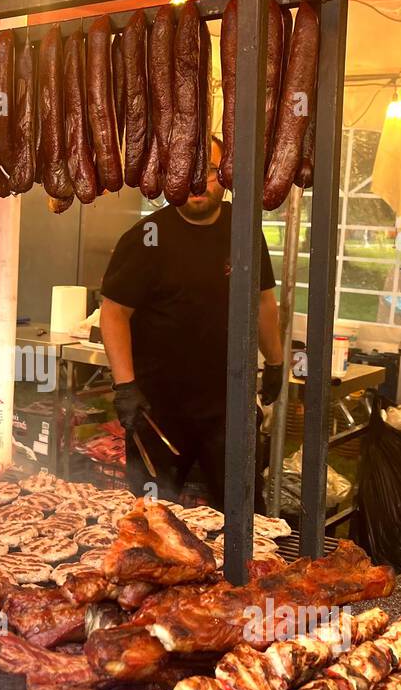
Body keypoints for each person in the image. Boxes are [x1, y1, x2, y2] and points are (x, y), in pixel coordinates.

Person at [100, 137, 284, 506]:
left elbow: (263, 301)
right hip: (158, 411)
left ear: (227, 174)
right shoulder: (145, 239)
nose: (198, 184)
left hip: (228, 405)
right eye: (187, 172)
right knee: (151, 517)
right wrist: (125, 387)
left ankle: (249, 567)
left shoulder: (243, 231)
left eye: (211, 172)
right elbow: (113, 312)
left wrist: (277, 362)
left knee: (244, 513)